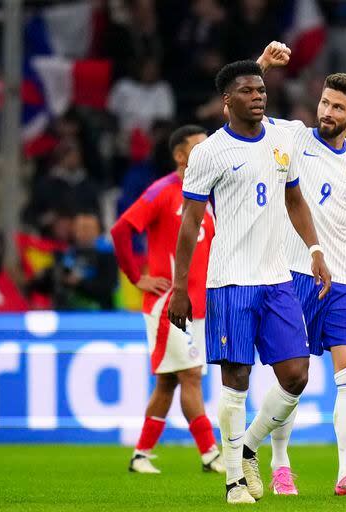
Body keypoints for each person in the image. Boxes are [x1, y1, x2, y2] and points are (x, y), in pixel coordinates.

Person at [167, 60, 331, 504]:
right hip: (230, 282)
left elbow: (294, 197)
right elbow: (190, 224)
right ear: (227, 102)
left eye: (261, 89)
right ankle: (234, 480)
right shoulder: (209, 153)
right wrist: (181, 287)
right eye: (247, 91)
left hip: (277, 279)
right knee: (235, 380)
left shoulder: (281, 138)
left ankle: (249, 447)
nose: (258, 96)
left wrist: (315, 250)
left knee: (296, 375)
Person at [258, 43, 346, 496]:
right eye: (325, 103)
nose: (327, 111)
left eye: (338, 107)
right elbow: (244, 107)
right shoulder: (292, 137)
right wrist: (263, 66)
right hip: (296, 274)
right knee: (293, 378)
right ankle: (279, 462)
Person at [110, 125, 224, 475]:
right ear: (180, 155)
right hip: (169, 305)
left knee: (169, 381)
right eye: (199, 148)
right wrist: (136, 277)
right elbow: (121, 229)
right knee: (190, 376)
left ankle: (141, 455)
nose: (207, 153)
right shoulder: (163, 191)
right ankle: (211, 454)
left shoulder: (208, 195)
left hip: (200, 306)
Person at [28, 211, 117, 311]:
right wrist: (42, 278)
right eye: (78, 228)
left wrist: (79, 282)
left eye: (86, 228)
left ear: (97, 230)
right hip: (65, 313)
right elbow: (48, 285)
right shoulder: (65, 254)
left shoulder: (107, 255)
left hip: (98, 314)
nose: (82, 232)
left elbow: (107, 288)